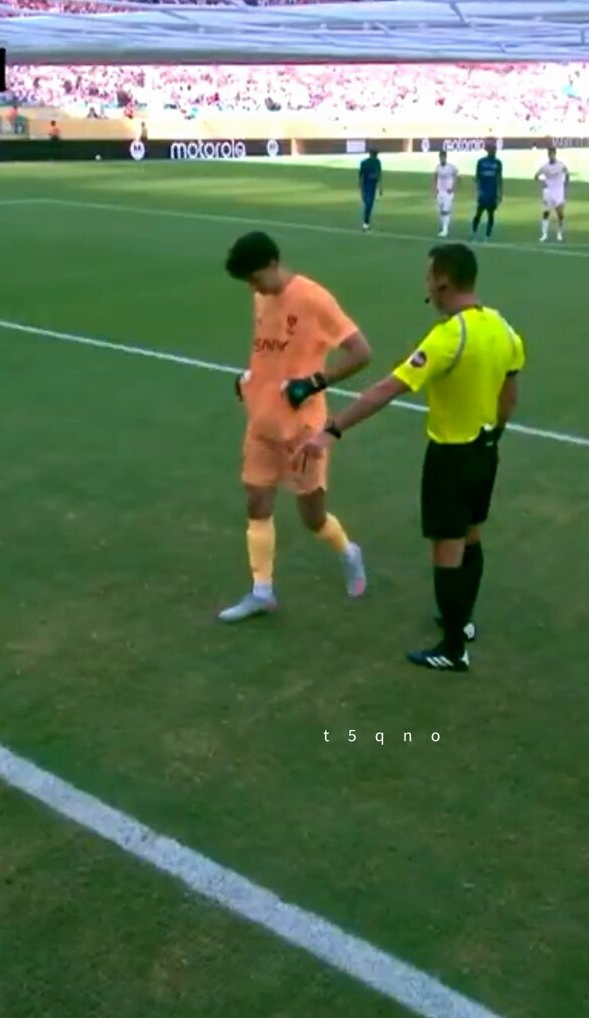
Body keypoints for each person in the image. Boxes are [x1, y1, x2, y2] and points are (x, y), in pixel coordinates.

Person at [300, 243, 525, 673]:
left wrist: (332, 429)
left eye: (429, 277)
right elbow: (509, 396)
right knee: (471, 536)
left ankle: (453, 649)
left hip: (451, 457)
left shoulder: (448, 337)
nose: (427, 286)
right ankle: (463, 622)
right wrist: (494, 434)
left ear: (443, 281)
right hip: (485, 451)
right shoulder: (503, 328)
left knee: (447, 549)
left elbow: (386, 389)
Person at [219, 231, 371, 622]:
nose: (253, 288)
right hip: (262, 421)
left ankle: (348, 552)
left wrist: (315, 382)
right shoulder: (261, 298)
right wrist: (250, 380)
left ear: (273, 264)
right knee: (257, 504)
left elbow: (361, 352)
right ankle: (262, 591)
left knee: (312, 518)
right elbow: (268, 351)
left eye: (255, 278)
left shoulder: (313, 299)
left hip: (302, 430)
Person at [534, 146, 569, 242]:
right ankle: (544, 234)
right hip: (548, 191)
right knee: (546, 213)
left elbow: (567, 173)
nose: (550, 155)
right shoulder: (545, 166)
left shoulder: (560, 165)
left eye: (552, 154)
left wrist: (565, 184)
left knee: (560, 214)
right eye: (549, 154)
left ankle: (559, 233)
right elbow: (536, 176)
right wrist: (542, 183)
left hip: (558, 192)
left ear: (555, 154)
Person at [471, 140, 503, 242]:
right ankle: (474, 234)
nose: (494, 152)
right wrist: (477, 189)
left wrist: (500, 194)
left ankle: (487, 236)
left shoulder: (498, 163)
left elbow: (499, 179)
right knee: (478, 214)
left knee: (490, 215)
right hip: (483, 193)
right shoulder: (481, 162)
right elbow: (477, 177)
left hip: (492, 193)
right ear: (488, 151)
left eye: (495, 150)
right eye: (493, 150)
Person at [433, 149, 459, 238]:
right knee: (441, 211)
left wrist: (453, 188)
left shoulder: (451, 167)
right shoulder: (437, 167)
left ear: (446, 157)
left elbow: (457, 176)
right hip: (440, 191)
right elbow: (435, 178)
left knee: (446, 211)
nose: (442, 158)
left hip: (448, 192)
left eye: (443, 157)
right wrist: (435, 190)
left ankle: (445, 230)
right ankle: (443, 227)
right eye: (441, 157)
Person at [359, 149, 382, 231]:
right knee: (369, 205)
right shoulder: (377, 162)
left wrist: (360, 188)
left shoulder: (364, 162)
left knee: (368, 204)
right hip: (371, 186)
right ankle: (366, 223)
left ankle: (366, 222)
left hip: (366, 186)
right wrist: (380, 188)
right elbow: (378, 175)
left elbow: (360, 176)